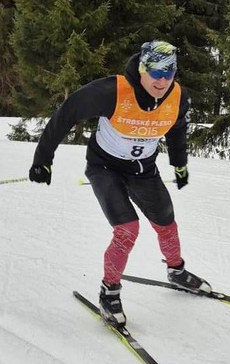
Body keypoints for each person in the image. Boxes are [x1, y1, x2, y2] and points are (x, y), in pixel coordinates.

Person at [28, 40, 210, 327]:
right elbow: (66, 114)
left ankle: (176, 271)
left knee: (166, 224)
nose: (162, 81)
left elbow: (176, 130)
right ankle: (109, 291)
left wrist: (179, 164)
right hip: (105, 168)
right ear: (142, 69)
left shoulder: (178, 97)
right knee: (127, 229)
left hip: (144, 170)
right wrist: (42, 159)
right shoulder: (113, 91)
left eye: (169, 73)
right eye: (156, 73)